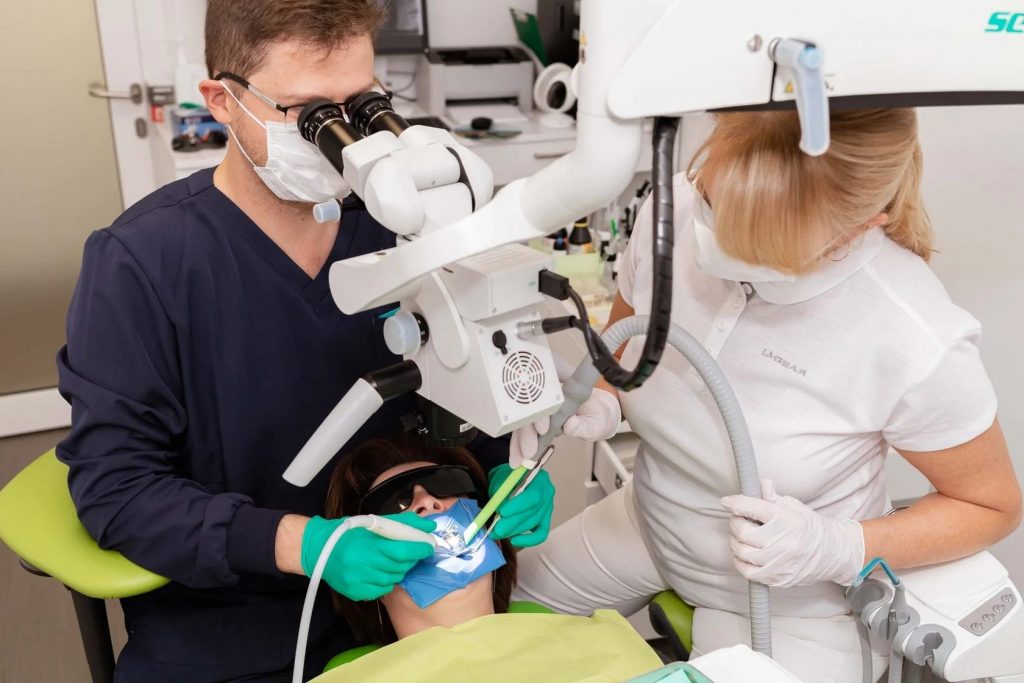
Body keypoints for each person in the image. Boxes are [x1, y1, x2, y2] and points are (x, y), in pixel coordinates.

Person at [55, 2, 552, 680]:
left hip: (412, 585)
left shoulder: (408, 224)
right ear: (223, 102)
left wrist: (507, 466)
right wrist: (306, 544)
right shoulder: (143, 264)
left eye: (361, 104)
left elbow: (468, 384)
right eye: (309, 115)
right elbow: (117, 490)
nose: (342, 139)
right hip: (240, 614)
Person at [510, 109, 1023, 683]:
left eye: (758, 247)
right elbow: (624, 343)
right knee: (485, 620)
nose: (712, 247)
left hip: (797, 602)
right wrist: (600, 396)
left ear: (859, 227)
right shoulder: (674, 211)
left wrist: (837, 547)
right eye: (713, 206)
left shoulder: (913, 334)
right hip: (649, 523)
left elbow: (991, 506)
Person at [315, 435, 663, 682]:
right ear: (362, 571)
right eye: (396, 503)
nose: (428, 502)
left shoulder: (601, 641)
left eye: (446, 485)